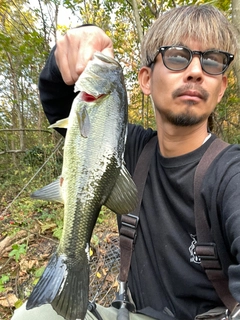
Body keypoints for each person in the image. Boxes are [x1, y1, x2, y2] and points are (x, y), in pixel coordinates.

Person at [11, 4, 240, 320]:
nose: (196, 71)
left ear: (221, 90)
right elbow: (59, 100)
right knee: (32, 317)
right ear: (145, 80)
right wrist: (76, 46)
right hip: (134, 314)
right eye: (177, 56)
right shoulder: (125, 147)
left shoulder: (231, 174)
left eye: (213, 61)